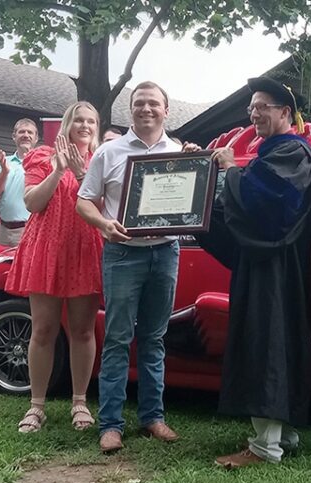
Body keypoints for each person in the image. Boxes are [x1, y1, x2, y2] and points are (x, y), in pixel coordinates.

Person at [200, 77, 311, 469]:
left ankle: (265, 447)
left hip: (273, 273)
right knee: (282, 347)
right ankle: (284, 435)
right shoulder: (289, 153)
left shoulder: (289, 153)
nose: (254, 113)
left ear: (285, 113)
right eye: (252, 107)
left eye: (263, 106)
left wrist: (231, 170)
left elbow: (265, 210)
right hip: (284, 271)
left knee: (266, 346)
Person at [77, 81, 198, 453]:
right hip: (123, 254)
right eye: (139, 104)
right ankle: (110, 424)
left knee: (154, 338)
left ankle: (152, 418)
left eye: (153, 104)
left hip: (165, 252)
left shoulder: (180, 152)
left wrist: (200, 163)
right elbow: (84, 201)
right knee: (116, 340)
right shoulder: (109, 152)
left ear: (166, 109)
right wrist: (103, 225)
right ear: (131, 110)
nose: (146, 109)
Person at [5, 102, 103, 432]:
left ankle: (80, 402)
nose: (85, 125)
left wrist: (79, 172)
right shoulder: (43, 156)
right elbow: (32, 203)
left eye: (91, 121)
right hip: (46, 248)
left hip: (85, 248)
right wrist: (58, 169)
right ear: (67, 123)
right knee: (43, 329)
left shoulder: (103, 159)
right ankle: (36, 406)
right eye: (79, 119)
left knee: (82, 330)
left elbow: (106, 207)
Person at [0, 118, 39, 246]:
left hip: (29, 229)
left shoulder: (41, 162)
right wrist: (4, 171)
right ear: (14, 136)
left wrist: (32, 161)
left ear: (36, 138)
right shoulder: (3, 161)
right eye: (22, 132)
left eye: (30, 133)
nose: (26, 135)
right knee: (2, 266)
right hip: (3, 229)